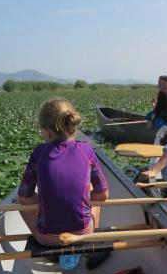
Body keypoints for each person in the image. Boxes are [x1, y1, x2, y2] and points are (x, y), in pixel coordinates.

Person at [17, 98, 110, 247]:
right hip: (83, 234)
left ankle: (43, 234)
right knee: (93, 191)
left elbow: (24, 198)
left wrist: (45, 202)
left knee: (18, 201)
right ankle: (91, 239)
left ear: (47, 132)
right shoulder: (87, 150)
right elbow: (103, 195)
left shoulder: (38, 153)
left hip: (47, 239)